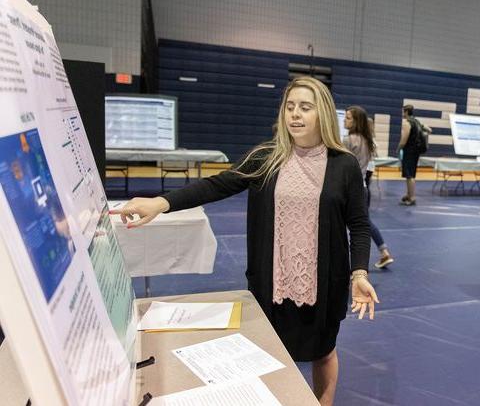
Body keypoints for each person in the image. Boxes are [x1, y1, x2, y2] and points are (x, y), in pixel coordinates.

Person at [111, 77, 379, 405]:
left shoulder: (345, 166)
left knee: (322, 354)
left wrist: (360, 273)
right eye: (290, 106)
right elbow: (217, 185)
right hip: (272, 286)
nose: (295, 114)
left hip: (323, 288)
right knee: (271, 355)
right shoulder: (266, 158)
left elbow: (359, 225)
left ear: (321, 113)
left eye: (305, 107)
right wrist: (160, 203)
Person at [344, 106, 395, 269]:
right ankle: (384, 251)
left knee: (346, 225)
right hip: (363, 188)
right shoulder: (368, 141)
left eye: (348, 118)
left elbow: (340, 166)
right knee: (364, 223)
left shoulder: (348, 140)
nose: (345, 120)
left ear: (356, 121)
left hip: (348, 189)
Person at [397, 104, 431, 206]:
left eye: (403, 111)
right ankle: (408, 194)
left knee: (409, 175)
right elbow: (429, 130)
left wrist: (399, 148)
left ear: (406, 112)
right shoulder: (417, 121)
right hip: (416, 151)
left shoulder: (407, 123)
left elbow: (404, 139)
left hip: (409, 151)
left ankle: (412, 197)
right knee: (410, 174)